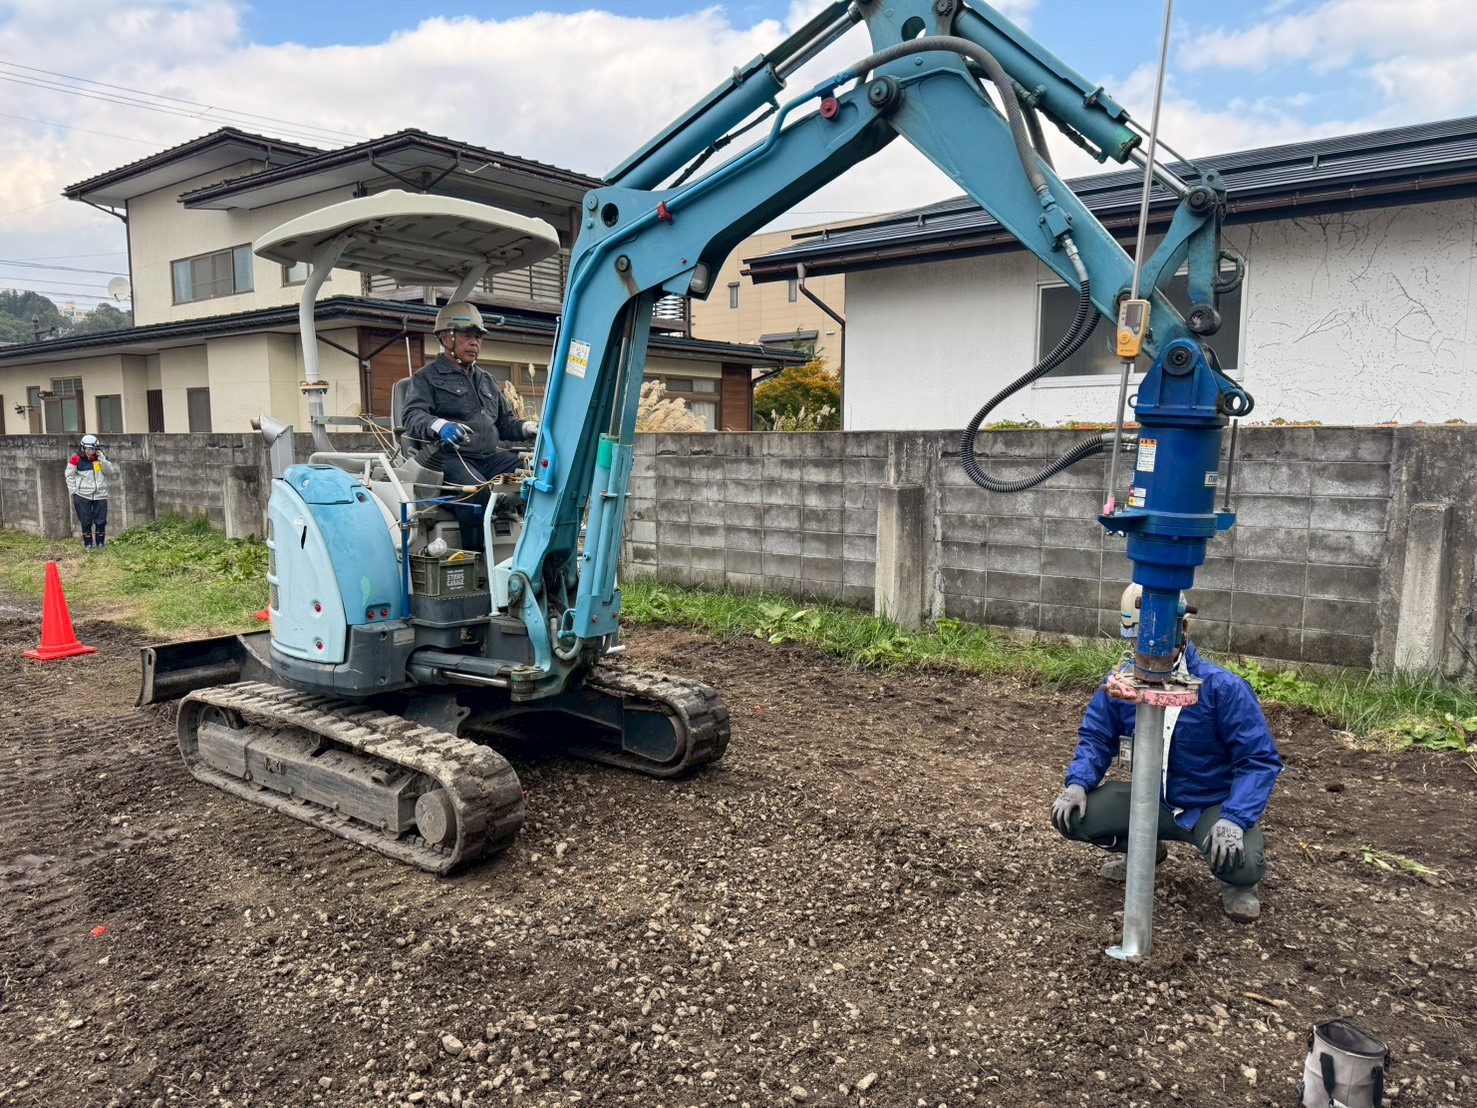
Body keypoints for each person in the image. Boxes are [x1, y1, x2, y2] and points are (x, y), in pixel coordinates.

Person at [1050, 584, 1283, 923]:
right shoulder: (1122, 684)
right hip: (1149, 799)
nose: (1147, 650)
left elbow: (1258, 760)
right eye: (1138, 639)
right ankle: (1143, 850)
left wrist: (1234, 818)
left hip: (1208, 804)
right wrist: (1078, 782)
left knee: (1244, 862)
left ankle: (1238, 885)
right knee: (1070, 817)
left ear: (1183, 628)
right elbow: (1097, 737)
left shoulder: (1223, 688)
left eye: (1158, 639)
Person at [400, 302, 539, 553]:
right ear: (445, 338)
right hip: (451, 459)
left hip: (489, 458)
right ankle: (477, 560)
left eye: (478, 337)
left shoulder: (485, 379)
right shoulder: (427, 377)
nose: (474, 343)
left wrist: (528, 428)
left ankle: (528, 551)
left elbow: (504, 424)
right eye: (466, 336)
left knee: (538, 476)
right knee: (478, 491)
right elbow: (411, 415)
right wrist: (440, 425)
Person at [65, 434, 121, 551]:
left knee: (101, 521)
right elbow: (69, 475)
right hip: (82, 494)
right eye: (88, 449)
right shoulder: (76, 458)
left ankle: (100, 544)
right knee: (86, 521)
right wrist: (73, 491)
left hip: (100, 494)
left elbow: (110, 472)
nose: (90, 452)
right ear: (83, 448)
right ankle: (88, 545)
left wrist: (102, 459)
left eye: (93, 449)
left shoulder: (101, 457)